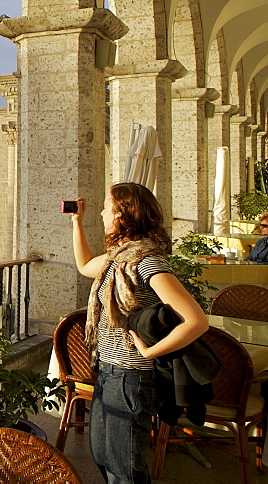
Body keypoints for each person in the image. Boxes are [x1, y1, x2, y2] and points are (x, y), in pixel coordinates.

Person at [72, 182, 207, 483]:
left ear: (122, 214)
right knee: (103, 456)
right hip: (108, 371)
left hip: (131, 376)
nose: (103, 214)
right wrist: (77, 222)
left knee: (126, 470)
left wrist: (149, 351)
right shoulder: (117, 259)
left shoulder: (146, 262)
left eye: (107, 208)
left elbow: (195, 321)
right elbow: (83, 265)